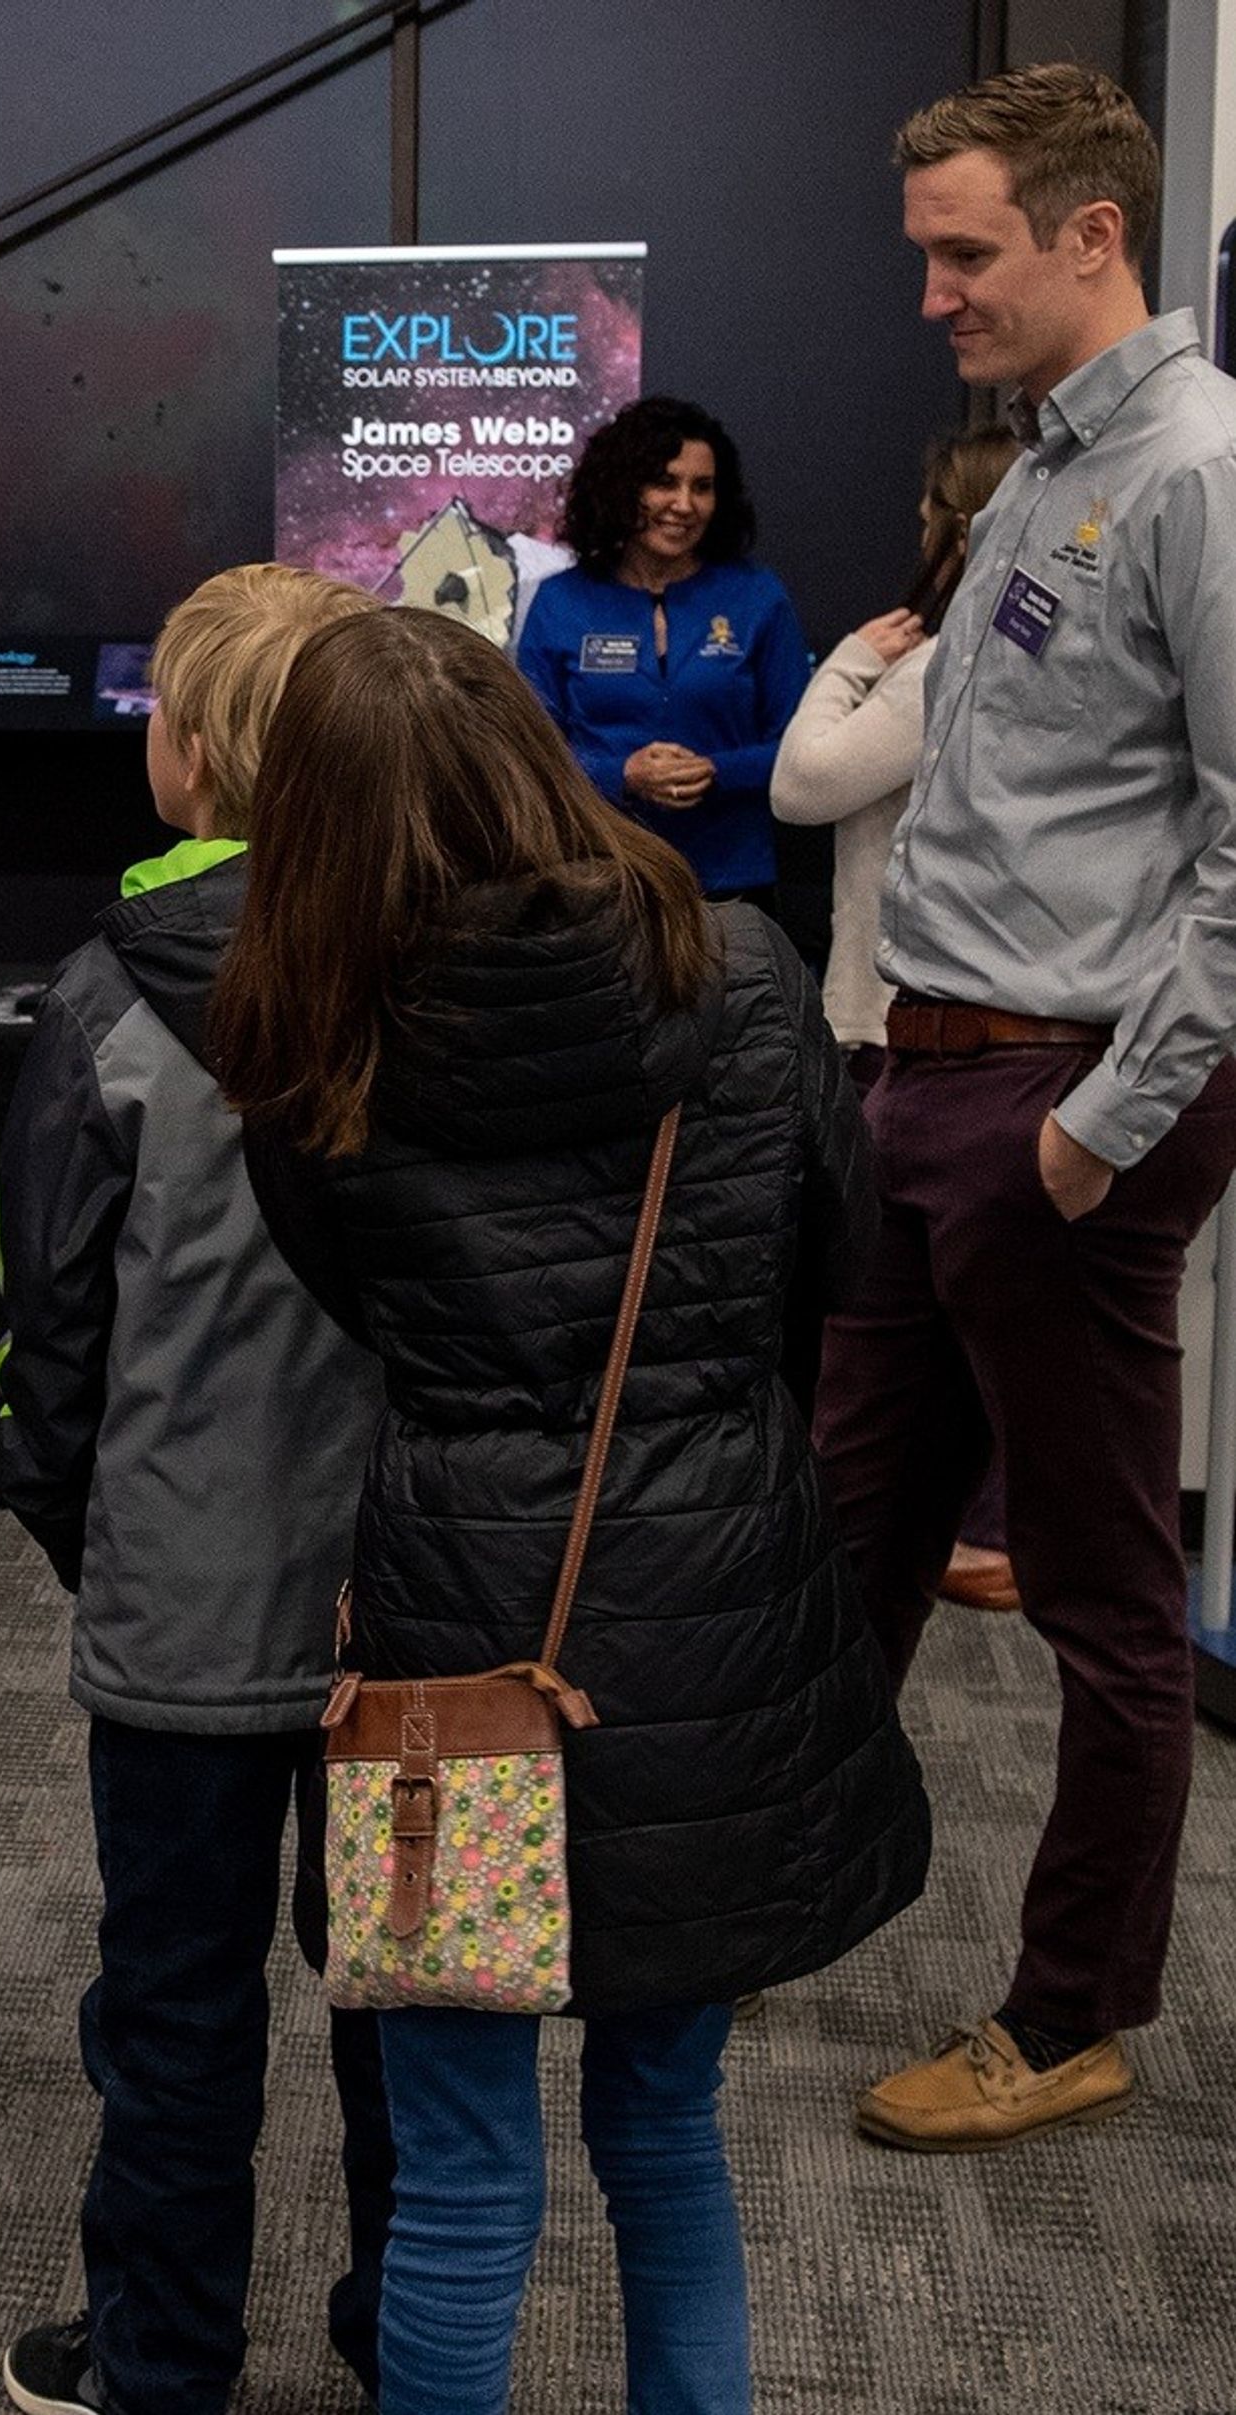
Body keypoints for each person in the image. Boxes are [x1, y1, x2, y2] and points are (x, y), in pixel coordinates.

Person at [214, 606, 930, 2415]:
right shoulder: (746, 976)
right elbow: (832, 1267)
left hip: (459, 1633)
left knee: (460, 2183)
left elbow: (348, 1307)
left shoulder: (313, 1049)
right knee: (668, 2133)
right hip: (718, 1612)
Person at [824, 62, 1236, 2152]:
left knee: (1094, 1598)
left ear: (1092, 237)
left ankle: (1066, 2010)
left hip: (1062, 1103)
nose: (928, 295)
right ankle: (766, 1890)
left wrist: (1098, 1128)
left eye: (962, 252)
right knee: (852, 1526)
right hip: (932, 1075)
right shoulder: (1041, 462)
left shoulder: (1194, 471)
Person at [0, 563, 395, 2415]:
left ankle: (158, 2360)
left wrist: (95, 1543)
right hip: (419, 1609)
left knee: (171, 2009)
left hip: (175, 1599)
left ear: (196, 754)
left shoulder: (96, 1008)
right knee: (413, 1999)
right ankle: (415, 2325)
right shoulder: (443, 985)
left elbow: (45, 1344)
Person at [770, 426, 1023, 1616]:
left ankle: (961, 1536)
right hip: (917, 1011)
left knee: (893, 1312)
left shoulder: (936, 668)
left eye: (930, 506)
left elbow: (801, 783)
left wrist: (841, 663)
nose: (917, 524)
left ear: (956, 523)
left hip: (887, 1017)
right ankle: (967, 1529)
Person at [516, 397, 813, 912]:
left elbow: (801, 745)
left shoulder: (756, 596)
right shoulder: (561, 602)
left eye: (702, 487)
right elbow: (530, 755)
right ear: (622, 488)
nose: (685, 504)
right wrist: (622, 775)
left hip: (732, 881)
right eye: (664, 483)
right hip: (603, 874)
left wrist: (718, 770)